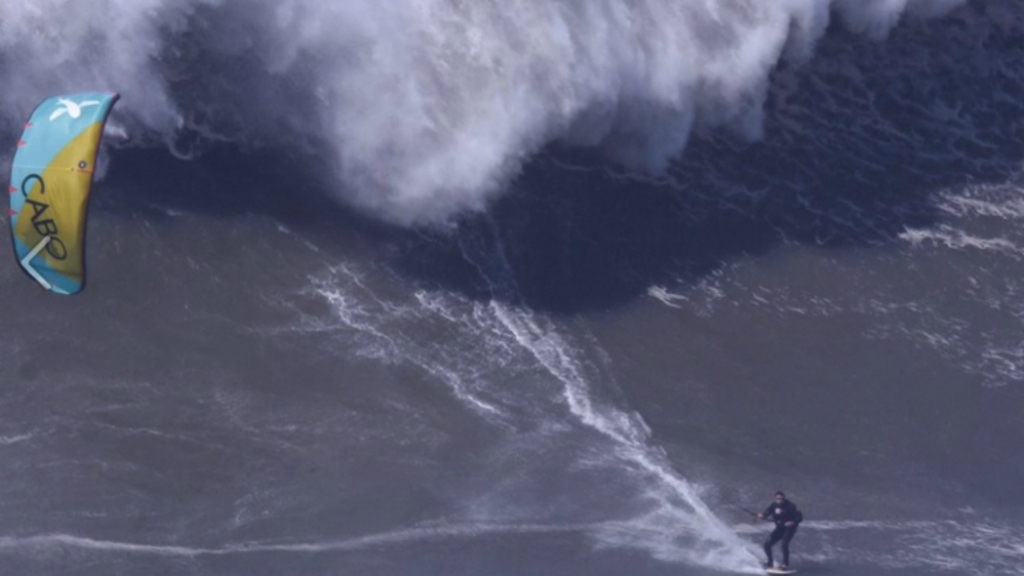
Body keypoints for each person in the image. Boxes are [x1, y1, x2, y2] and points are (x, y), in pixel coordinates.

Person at [757, 491, 802, 570]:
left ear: (784, 499)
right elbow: (766, 513)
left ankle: (785, 565)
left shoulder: (790, 506)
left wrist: (792, 522)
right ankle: (770, 562)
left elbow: (800, 517)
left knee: (784, 544)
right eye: (778, 499)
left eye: (782, 499)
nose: (780, 500)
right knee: (767, 545)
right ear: (775, 499)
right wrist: (762, 516)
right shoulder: (773, 505)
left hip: (790, 529)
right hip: (779, 529)